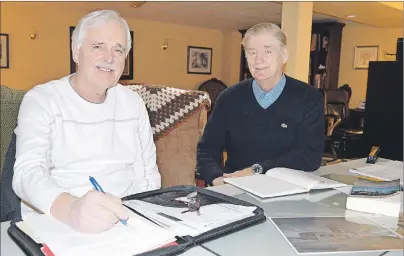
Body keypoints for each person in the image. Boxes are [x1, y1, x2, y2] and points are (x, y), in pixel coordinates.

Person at [12, 10, 161, 234]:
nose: (109, 58)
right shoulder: (42, 99)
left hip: (126, 221)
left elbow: (147, 176)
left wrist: (138, 220)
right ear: (76, 52)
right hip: (57, 222)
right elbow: (27, 173)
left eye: (118, 50)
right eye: (98, 46)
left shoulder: (133, 103)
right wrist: (71, 210)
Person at [196, 23, 324, 186]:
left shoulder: (309, 98)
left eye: (267, 51)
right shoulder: (229, 98)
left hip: (287, 189)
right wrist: (216, 179)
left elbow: (310, 156)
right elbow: (207, 148)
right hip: (235, 186)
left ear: (284, 55)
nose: (258, 60)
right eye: (252, 52)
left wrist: (257, 170)